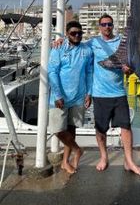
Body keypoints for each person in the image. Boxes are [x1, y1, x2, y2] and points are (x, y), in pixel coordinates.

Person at [54, 14, 140, 175]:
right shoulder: (92, 43)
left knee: (126, 127)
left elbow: (133, 64)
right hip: (100, 94)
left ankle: (129, 161)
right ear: (99, 26)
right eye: (103, 24)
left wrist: (129, 70)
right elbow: (75, 41)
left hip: (119, 92)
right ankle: (104, 157)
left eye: (109, 24)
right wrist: (60, 39)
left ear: (113, 25)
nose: (107, 27)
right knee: (100, 129)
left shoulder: (122, 43)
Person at [48, 20, 93, 174]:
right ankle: (77, 149)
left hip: (78, 96)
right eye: (73, 33)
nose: (77, 36)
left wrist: (89, 93)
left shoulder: (86, 50)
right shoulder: (58, 48)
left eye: (79, 33)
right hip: (59, 97)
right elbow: (52, 72)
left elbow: (89, 72)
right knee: (58, 130)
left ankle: (65, 162)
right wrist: (58, 94)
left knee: (72, 129)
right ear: (67, 34)